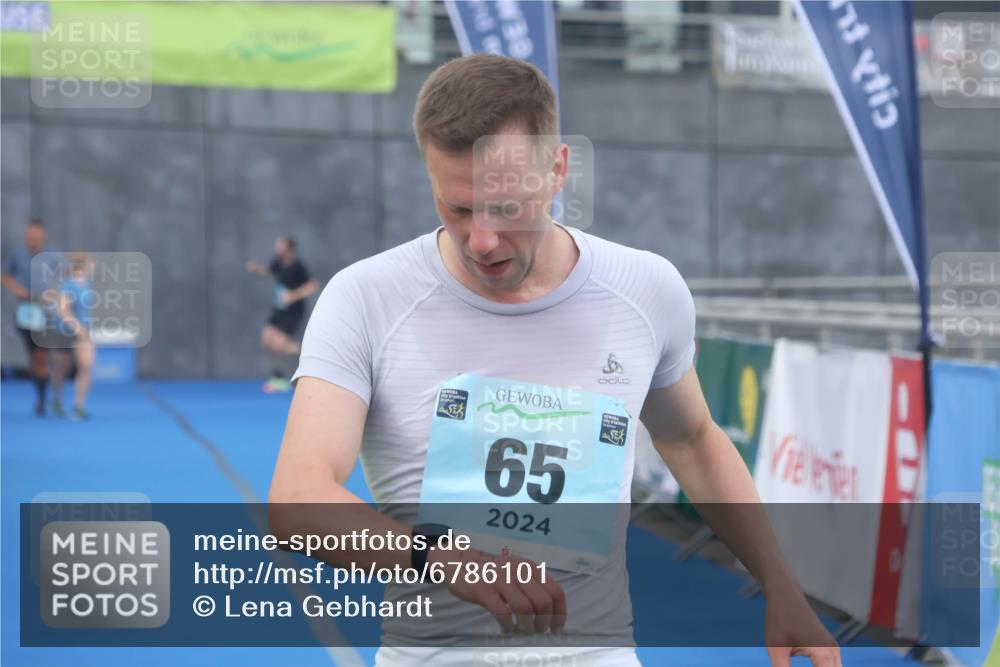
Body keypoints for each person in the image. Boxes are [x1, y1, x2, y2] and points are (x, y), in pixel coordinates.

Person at [269, 54, 841, 667]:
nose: (481, 241)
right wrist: (435, 555)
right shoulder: (366, 297)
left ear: (558, 170)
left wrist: (781, 586)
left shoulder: (646, 289)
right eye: (457, 208)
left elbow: (694, 439)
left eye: (506, 208)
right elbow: (297, 497)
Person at [1, 219, 63, 416]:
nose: (32, 241)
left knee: (42, 354)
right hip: (26, 311)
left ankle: (48, 396)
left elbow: (66, 276)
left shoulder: (53, 255)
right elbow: (5, 276)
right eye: (29, 238)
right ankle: (40, 395)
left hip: (46, 311)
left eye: (36, 238)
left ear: (42, 237)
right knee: (32, 356)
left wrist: (53, 293)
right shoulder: (18, 254)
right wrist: (20, 291)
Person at [246, 235, 318, 393]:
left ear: (289, 249)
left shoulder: (298, 266)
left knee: (279, 344)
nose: (277, 248)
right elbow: (268, 272)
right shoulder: (277, 262)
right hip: (280, 308)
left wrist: (294, 295)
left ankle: (312, 351)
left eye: (281, 246)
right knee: (266, 340)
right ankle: (277, 378)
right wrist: (256, 268)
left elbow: (312, 286)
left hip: (294, 310)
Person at [47, 252, 95, 420]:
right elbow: (62, 310)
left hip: (83, 332)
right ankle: (56, 399)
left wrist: (85, 329)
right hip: (64, 332)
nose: (93, 265)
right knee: (61, 369)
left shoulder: (87, 283)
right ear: (83, 264)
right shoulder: (67, 285)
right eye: (91, 262)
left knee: (87, 366)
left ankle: (78, 406)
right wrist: (77, 328)